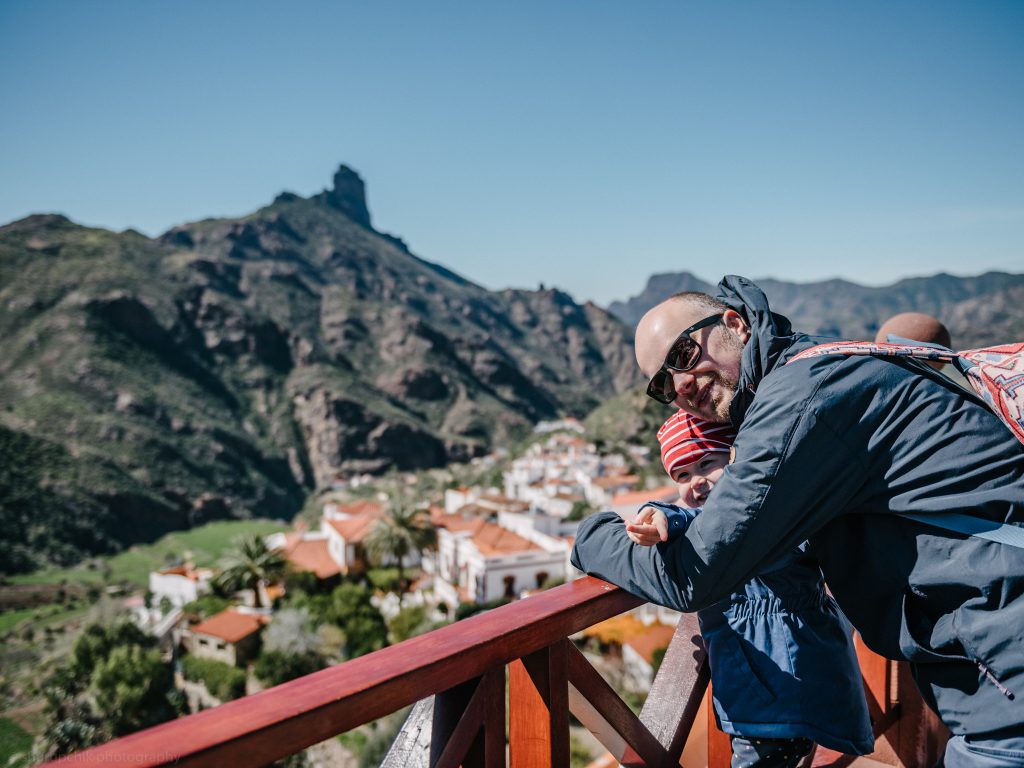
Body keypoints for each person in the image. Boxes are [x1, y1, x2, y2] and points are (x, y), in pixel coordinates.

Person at [571, 275, 1024, 767]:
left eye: (682, 354)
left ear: (734, 324)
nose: (679, 384)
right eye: (662, 384)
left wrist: (593, 535)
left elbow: (694, 572)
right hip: (991, 664)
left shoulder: (801, 399)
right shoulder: (823, 369)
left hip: (1004, 668)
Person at [625, 410, 871, 766]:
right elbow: (692, 513)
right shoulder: (770, 504)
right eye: (682, 474)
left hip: (771, 691)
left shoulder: (763, 512)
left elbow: (721, 524)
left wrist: (672, 517)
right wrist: (657, 511)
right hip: (778, 682)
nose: (696, 481)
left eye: (707, 462)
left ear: (736, 458)